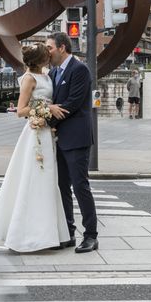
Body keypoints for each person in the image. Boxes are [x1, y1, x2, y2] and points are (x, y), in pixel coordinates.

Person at [0, 43, 69, 252]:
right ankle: (29, 235)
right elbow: (20, 110)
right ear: (40, 59)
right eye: (46, 53)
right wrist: (47, 108)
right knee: (35, 179)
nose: (50, 54)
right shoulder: (29, 78)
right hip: (35, 136)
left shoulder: (47, 74)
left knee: (48, 181)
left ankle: (47, 234)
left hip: (46, 133)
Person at [46, 32, 99, 253]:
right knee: (62, 187)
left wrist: (46, 117)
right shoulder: (52, 72)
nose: (46, 51)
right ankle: (68, 233)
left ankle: (91, 236)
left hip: (76, 138)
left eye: (49, 47)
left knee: (80, 186)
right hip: (58, 138)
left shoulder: (80, 69)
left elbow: (73, 103)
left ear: (62, 48)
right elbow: (51, 100)